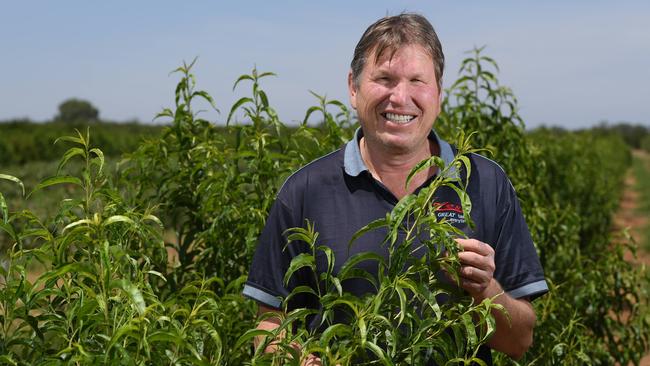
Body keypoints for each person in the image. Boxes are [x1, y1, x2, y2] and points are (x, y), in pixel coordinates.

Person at [243, 13, 548, 365]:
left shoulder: (486, 184)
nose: (400, 97)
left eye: (417, 80)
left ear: (439, 93)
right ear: (353, 88)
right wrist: (290, 357)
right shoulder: (304, 192)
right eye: (384, 79)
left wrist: (484, 291)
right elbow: (270, 320)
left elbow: (520, 341)